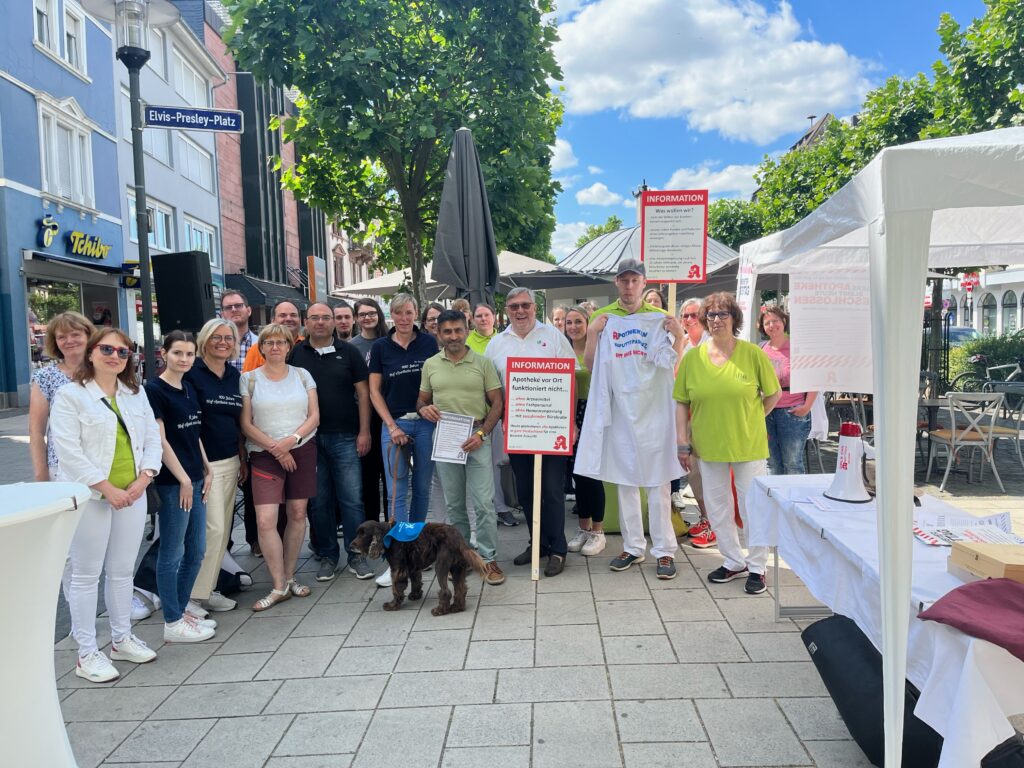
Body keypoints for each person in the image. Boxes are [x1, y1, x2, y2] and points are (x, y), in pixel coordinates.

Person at [51, 328, 162, 681]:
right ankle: (86, 652)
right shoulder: (71, 396)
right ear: (92, 352)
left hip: (133, 492)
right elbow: (68, 451)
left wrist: (144, 478)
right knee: (85, 575)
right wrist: (106, 488)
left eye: (123, 351)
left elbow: (151, 440)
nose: (115, 356)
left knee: (121, 571)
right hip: (92, 497)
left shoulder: (135, 392)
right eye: (107, 349)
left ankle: (121, 638)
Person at [674, 292, 781, 595]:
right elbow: (682, 402)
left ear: (734, 318)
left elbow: (773, 394)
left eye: (723, 314)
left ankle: (758, 566)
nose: (716, 320)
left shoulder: (752, 353)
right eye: (711, 315)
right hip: (708, 446)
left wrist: (754, 415)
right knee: (718, 507)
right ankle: (734, 560)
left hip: (747, 444)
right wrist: (682, 442)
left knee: (752, 507)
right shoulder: (693, 358)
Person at [584, 258, 684, 579]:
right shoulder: (604, 319)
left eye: (634, 281)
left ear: (643, 283)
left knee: (658, 482)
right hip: (621, 413)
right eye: (624, 281)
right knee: (625, 482)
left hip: (655, 413)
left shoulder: (659, 319)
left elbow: (673, 368)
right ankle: (632, 546)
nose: (629, 286)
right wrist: (591, 334)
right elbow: (592, 366)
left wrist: (679, 337)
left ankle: (665, 550)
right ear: (616, 282)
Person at [486, 287, 576, 577]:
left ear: (535, 308)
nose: (520, 311)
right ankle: (538, 543)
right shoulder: (497, 343)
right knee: (525, 490)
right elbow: (492, 388)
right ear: (507, 310)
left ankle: (558, 548)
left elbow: (571, 380)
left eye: (525, 305)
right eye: (514, 307)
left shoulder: (553, 337)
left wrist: (571, 422)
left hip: (551, 427)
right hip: (518, 428)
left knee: (551, 489)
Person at [417, 309, 506, 586]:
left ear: (466, 330)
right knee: (455, 506)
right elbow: (420, 401)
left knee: (483, 504)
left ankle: (488, 558)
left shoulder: (483, 363)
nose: (453, 336)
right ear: (438, 334)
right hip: (445, 439)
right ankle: (464, 556)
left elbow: (498, 403)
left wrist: (481, 433)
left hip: (476, 437)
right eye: (447, 331)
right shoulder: (431, 364)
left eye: (458, 330)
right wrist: (424, 410)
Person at [289, 303, 373, 581]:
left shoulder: (349, 352)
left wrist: (364, 431)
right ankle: (327, 555)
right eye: (315, 318)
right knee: (319, 501)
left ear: (335, 322)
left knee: (352, 500)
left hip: (346, 436)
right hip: (308, 441)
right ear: (306, 322)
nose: (321, 322)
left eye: (327, 318)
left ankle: (356, 555)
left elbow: (363, 395)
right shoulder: (295, 353)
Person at [241, 324, 320, 609]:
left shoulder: (302, 375)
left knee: (298, 513)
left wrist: (291, 441)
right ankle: (277, 585)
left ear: (289, 347)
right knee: (265, 520)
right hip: (264, 454)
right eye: (269, 342)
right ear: (260, 347)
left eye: (281, 342)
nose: (275, 347)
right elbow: (246, 423)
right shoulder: (249, 379)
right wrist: (276, 448)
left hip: (302, 449)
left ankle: (289, 577)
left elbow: (314, 416)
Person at [146, 331, 216, 642]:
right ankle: (172, 621)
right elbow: (160, 440)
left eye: (189, 354)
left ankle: (180, 607)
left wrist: (206, 467)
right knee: (172, 552)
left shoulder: (188, 387)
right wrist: (184, 479)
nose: (184, 359)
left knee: (197, 550)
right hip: (173, 483)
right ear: (164, 353)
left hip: (195, 477)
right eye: (178, 353)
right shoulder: (154, 390)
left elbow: (194, 433)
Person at [184, 319, 244, 613]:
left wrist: (242, 458)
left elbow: (238, 421)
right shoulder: (192, 374)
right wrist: (204, 466)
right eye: (216, 337)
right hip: (205, 466)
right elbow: (190, 425)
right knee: (213, 530)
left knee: (224, 531)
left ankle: (209, 588)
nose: (223, 342)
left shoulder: (233, 375)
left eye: (228, 338)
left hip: (231, 460)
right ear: (204, 340)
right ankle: (191, 596)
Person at [467, 303, 517, 528]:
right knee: (487, 463)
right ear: (473, 319)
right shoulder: (467, 343)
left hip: (512, 410)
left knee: (501, 462)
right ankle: (495, 508)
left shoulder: (505, 339)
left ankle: (503, 505)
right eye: (479, 316)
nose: (483, 319)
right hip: (483, 414)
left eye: (487, 314)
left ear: (494, 317)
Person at [30, 312, 96, 482]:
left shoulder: (104, 372)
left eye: (76, 334)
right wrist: (41, 473)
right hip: (62, 467)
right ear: (55, 342)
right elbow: (36, 431)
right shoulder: (46, 377)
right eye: (62, 337)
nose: (69, 341)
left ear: (88, 336)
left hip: (104, 461)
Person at [563, 306, 606, 557]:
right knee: (578, 475)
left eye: (578, 321)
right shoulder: (562, 350)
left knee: (593, 474)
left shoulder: (598, 349)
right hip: (570, 413)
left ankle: (598, 532)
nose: (573, 327)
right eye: (569, 322)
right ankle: (583, 528)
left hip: (593, 411)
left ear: (587, 323)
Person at [759, 306, 817, 475]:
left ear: (784, 321)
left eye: (775, 321)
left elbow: (813, 377)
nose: (772, 325)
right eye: (767, 322)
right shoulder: (761, 349)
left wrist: (807, 407)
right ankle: (774, 500)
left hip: (793, 411)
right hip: (767, 411)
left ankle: (795, 499)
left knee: (792, 462)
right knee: (771, 463)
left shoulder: (798, 346)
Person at [674, 298, 714, 548]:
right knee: (695, 474)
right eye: (685, 316)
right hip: (689, 418)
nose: (689, 320)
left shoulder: (712, 343)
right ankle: (706, 518)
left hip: (709, 418)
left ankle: (715, 524)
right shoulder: (685, 345)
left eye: (694, 315)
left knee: (711, 475)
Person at [351, 298, 390, 523]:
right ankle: (372, 526)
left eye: (371, 313)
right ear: (357, 318)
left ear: (379, 315)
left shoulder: (389, 342)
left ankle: (390, 526)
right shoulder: (352, 347)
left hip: (387, 414)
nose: (367, 317)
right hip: (363, 416)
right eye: (363, 314)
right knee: (368, 476)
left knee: (390, 476)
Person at [243, 300, 303, 371]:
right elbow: (249, 380)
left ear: (300, 320)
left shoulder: (308, 347)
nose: (288, 319)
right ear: (272, 320)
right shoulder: (256, 351)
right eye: (282, 315)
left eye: (293, 315)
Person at [221, 291, 258, 370]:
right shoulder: (215, 346)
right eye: (228, 307)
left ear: (249, 311)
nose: (233, 310)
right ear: (222, 315)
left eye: (238, 305)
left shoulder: (262, 344)